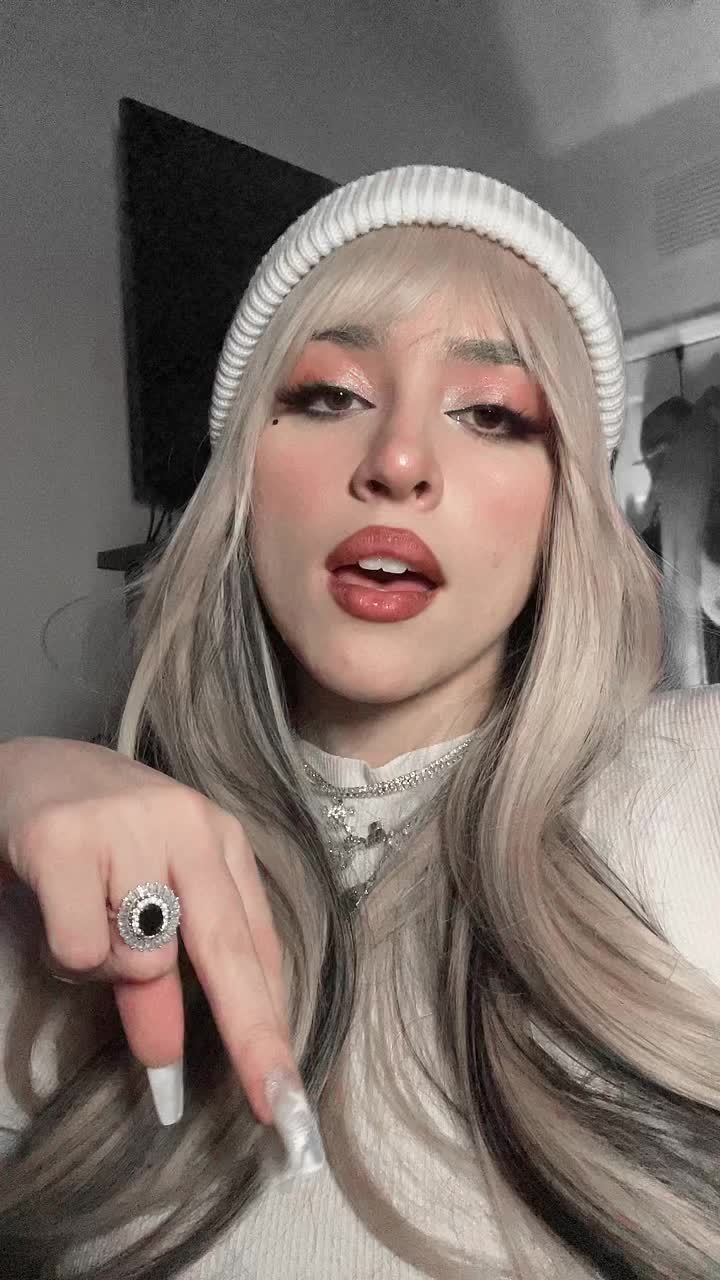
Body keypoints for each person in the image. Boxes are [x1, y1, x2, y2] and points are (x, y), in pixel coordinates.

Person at [1, 163, 719, 1280]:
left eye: (491, 413)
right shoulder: (61, 901)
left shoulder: (696, 780)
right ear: (244, 479)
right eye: (329, 395)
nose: (397, 462)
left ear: (562, 512)